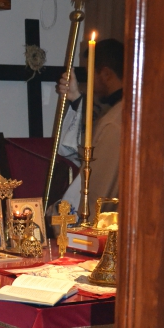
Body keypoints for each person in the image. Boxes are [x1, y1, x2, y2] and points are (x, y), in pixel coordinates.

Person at [52, 38, 124, 218]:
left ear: (106, 74)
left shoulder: (114, 122)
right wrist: (76, 98)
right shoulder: (119, 109)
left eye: (89, 74)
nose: (89, 82)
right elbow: (88, 142)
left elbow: (97, 191)